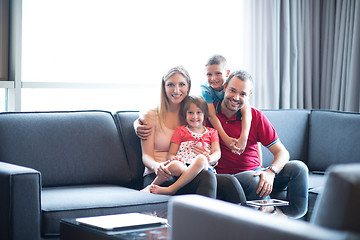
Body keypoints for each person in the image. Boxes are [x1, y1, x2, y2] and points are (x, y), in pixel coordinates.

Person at [196, 70, 308, 218]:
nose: (236, 98)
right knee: (254, 179)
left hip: (258, 172)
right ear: (224, 88)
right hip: (231, 177)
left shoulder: (255, 116)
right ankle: (271, 218)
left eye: (242, 94)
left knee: (299, 168)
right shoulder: (208, 114)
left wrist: (270, 172)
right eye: (232, 91)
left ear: (249, 95)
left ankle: (285, 215)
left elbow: (282, 153)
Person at [138, 66, 217, 198]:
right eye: (170, 85)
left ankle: (210, 218)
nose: (176, 90)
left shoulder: (193, 115)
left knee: (220, 180)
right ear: (163, 87)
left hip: (186, 171)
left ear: (188, 86)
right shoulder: (150, 116)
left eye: (181, 84)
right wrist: (157, 166)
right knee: (171, 179)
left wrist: (209, 156)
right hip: (158, 174)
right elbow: (146, 156)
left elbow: (208, 141)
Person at [142, 95, 221, 195]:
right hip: (185, 166)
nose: (194, 116)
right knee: (174, 165)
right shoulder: (180, 131)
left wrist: (209, 158)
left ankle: (171, 189)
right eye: (190, 113)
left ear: (204, 114)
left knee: (201, 158)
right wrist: (176, 158)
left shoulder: (212, 132)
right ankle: (151, 186)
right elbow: (171, 154)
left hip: (202, 168)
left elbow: (217, 153)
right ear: (185, 114)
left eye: (198, 113)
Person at [201, 54, 252, 155]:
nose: (213, 78)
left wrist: (243, 138)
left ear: (227, 73)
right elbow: (211, 115)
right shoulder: (205, 89)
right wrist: (226, 139)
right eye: (209, 74)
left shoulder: (233, 85)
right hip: (217, 114)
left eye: (218, 73)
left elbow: (246, 110)